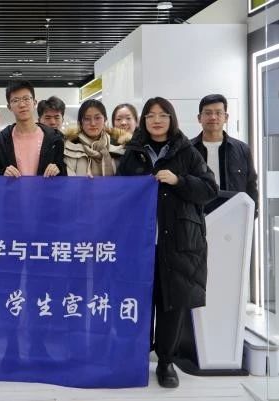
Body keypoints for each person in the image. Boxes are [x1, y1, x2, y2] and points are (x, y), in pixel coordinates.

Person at [117, 97, 218, 388]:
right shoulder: (133, 153)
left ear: (171, 119)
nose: (157, 120)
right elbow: (120, 193)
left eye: (163, 115)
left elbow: (209, 189)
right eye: (150, 116)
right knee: (139, 301)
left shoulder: (187, 151)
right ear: (144, 121)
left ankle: (165, 362)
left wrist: (178, 181)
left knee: (171, 303)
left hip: (177, 241)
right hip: (140, 243)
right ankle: (137, 357)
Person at [191, 94, 258, 216]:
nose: (213, 117)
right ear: (199, 118)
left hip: (233, 216)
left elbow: (251, 186)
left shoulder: (242, 149)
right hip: (196, 217)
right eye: (208, 113)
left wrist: (251, 216)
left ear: (226, 117)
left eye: (218, 113)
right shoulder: (187, 150)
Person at [0, 80, 66, 177]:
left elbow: (63, 172)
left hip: (45, 187)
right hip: (12, 187)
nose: (22, 105)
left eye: (26, 99)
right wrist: (2, 173)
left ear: (34, 102)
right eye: (15, 100)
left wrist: (58, 169)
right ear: (9, 107)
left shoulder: (54, 139)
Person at [64, 99, 128, 177]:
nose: (93, 123)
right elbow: (70, 182)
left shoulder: (119, 146)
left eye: (97, 118)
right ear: (80, 122)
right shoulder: (70, 147)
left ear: (105, 120)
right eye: (87, 119)